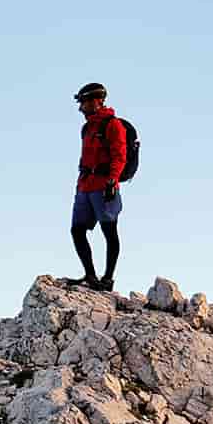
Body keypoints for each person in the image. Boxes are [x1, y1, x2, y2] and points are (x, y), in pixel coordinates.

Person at [70, 80, 126, 291]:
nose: (80, 107)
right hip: (85, 186)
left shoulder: (113, 124)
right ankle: (91, 276)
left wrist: (113, 180)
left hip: (104, 185)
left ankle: (108, 279)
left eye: (83, 102)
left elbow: (119, 155)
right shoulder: (86, 128)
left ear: (96, 102)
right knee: (77, 230)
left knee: (109, 231)